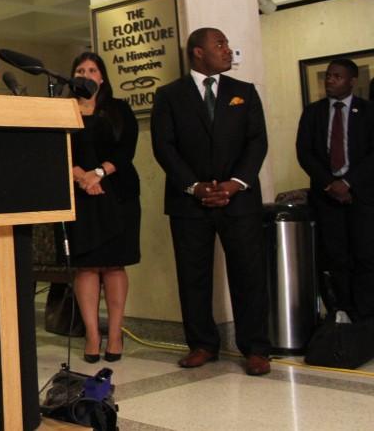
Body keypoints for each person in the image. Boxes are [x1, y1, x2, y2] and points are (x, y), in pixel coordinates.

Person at [150, 27, 271, 376]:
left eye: (227, 44)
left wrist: (235, 184)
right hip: (189, 203)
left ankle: (256, 349)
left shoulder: (244, 92)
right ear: (198, 52)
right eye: (220, 44)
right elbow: (164, 147)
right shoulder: (169, 95)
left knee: (249, 275)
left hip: (240, 200)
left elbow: (257, 142)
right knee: (193, 276)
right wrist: (194, 186)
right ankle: (202, 344)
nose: (228, 49)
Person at [65, 52, 140, 363]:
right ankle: (93, 335)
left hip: (118, 192)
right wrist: (82, 177)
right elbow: (56, 150)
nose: (86, 74)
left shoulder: (118, 109)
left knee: (114, 264)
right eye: (80, 69)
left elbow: (127, 150)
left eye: (92, 69)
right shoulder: (63, 110)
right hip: (79, 194)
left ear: (102, 78)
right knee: (87, 266)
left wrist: (98, 173)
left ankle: (116, 333)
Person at [295, 58, 374, 320]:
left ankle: (366, 314)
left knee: (365, 255)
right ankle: (343, 312)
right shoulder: (313, 112)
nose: (330, 80)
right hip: (326, 197)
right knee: (335, 256)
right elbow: (304, 152)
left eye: (337, 77)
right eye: (328, 76)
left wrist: (348, 183)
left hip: (361, 195)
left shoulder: (368, 111)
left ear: (352, 81)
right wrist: (331, 184)